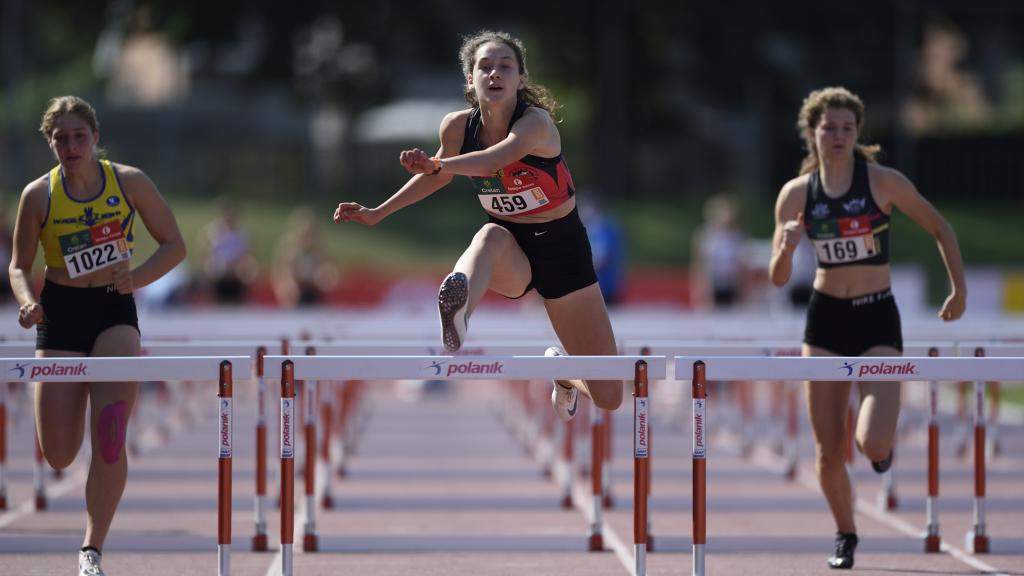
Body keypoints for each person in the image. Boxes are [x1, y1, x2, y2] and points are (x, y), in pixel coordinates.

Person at [333, 30, 622, 418]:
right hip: (510, 247)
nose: (495, 73)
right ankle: (459, 312)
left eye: (505, 66)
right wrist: (377, 212)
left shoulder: (535, 124)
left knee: (610, 396)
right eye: (485, 67)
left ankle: (562, 371)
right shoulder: (456, 128)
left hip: (564, 251)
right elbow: (435, 178)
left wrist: (438, 164)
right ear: (470, 79)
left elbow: (491, 161)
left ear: (521, 79)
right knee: (488, 235)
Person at [769, 87, 966, 570]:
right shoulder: (797, 195)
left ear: (857, 134)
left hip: (877, 316)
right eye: (829, 127)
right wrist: (787, 247)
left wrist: (958, 289)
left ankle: (880, 451)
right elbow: (777, 277)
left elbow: (940, 227)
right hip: (825, 322)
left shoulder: (882, 183)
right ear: (812, 132)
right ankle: (846, 533)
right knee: (828, 448)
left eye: (847, 128)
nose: (837, 136)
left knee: (871, 442)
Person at [8, 95, 186, 576]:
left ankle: (91, 550)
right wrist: (27, 301)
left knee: (109, 436)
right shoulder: (38, 195)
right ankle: (68, 429)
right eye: (60, 139)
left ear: (96, 138)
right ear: (50, 143)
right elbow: (19, 266)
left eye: (78, 137)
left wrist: (139, 278)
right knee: (60, 453)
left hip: (113, 310)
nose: (70, 146)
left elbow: (175, 245)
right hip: (61, 313)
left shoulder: (128, 182)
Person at [272, 207, 340, 307]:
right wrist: (288, 285)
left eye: (310, 234)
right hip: (296, 291)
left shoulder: (318, 250)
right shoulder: (290, 250)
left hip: (313, 289)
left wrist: (326, 275)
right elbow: (283, 272)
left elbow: (329, 269)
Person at [691, 193, 749, 309]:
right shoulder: (705, 235)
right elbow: (699, 265)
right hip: (713, 285)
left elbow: (742, 265)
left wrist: (743, 291)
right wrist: (700, 292)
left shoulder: (738, 236)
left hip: (732, 285)